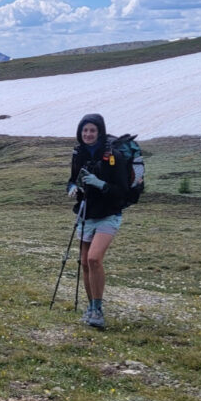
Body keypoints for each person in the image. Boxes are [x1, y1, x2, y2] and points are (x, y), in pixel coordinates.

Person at [66, 113, 131, 329]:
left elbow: (121, 191)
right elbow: (71, 179)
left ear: (100, 131)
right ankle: (91, 307)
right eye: (85, 130)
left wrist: (100, 184)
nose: (88, 134)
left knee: (94, 259)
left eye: (92, 130)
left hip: (109, 214)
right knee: (85, 263)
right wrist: (72, 188)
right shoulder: (79, 153)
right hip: (86, 213)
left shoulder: (114, 156)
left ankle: (98, 310)